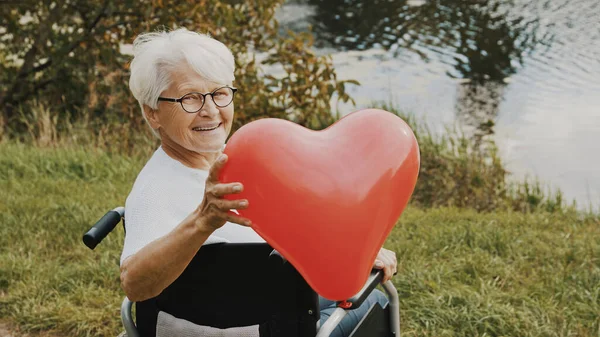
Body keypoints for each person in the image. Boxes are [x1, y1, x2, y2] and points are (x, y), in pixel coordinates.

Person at [119, 27, 397, 337]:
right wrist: (203, 220)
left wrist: (351, 253)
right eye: (190, 98)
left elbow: (292, 223)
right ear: (153, 112)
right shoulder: (156, 190)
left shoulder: (234, 162)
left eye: (220, 93)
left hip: (256, 307)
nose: (210, 111)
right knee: (370, 298)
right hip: (253, 326)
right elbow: (134, 283)